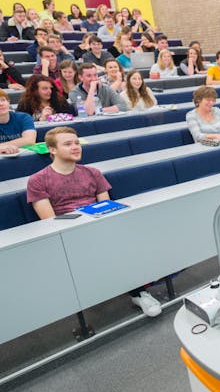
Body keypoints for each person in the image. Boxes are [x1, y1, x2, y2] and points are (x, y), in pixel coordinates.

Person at [25, 126, 162, 316]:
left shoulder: (93, 173)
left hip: (99, 226)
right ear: (52, 149)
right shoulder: (37, 180)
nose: (75, 147)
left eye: (76, 143)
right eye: (67, 144)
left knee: (136, 235)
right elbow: (50, 222)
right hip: (68, 233)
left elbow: (107, 207)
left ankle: (139, 291)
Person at [0, 89, 36, 154]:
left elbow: (29, 140)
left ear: (8, 102)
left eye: (3, 100)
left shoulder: (24, 117)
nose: (1, 104)